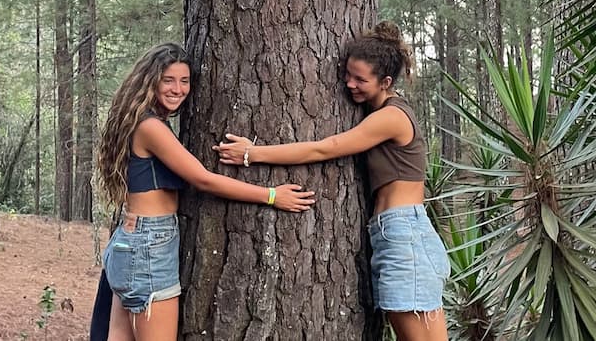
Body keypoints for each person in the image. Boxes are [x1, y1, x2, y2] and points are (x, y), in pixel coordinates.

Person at [214, 22, 449, 341]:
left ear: (386, 82)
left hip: (405, 236)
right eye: (348, 74)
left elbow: (326, 148)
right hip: (394, 235)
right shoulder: (379, 111)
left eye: (360, 79)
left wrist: (251, 154)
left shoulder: (392, 117)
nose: (350, 84)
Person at [97, 43, 315, 341]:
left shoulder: (139, 120)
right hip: (148, 245)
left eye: (184, 81)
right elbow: (204, 180)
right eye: (168, 80)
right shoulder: (150, 127)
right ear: (151, 80)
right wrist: (272, 195)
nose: (177, 89)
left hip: (131, 240)